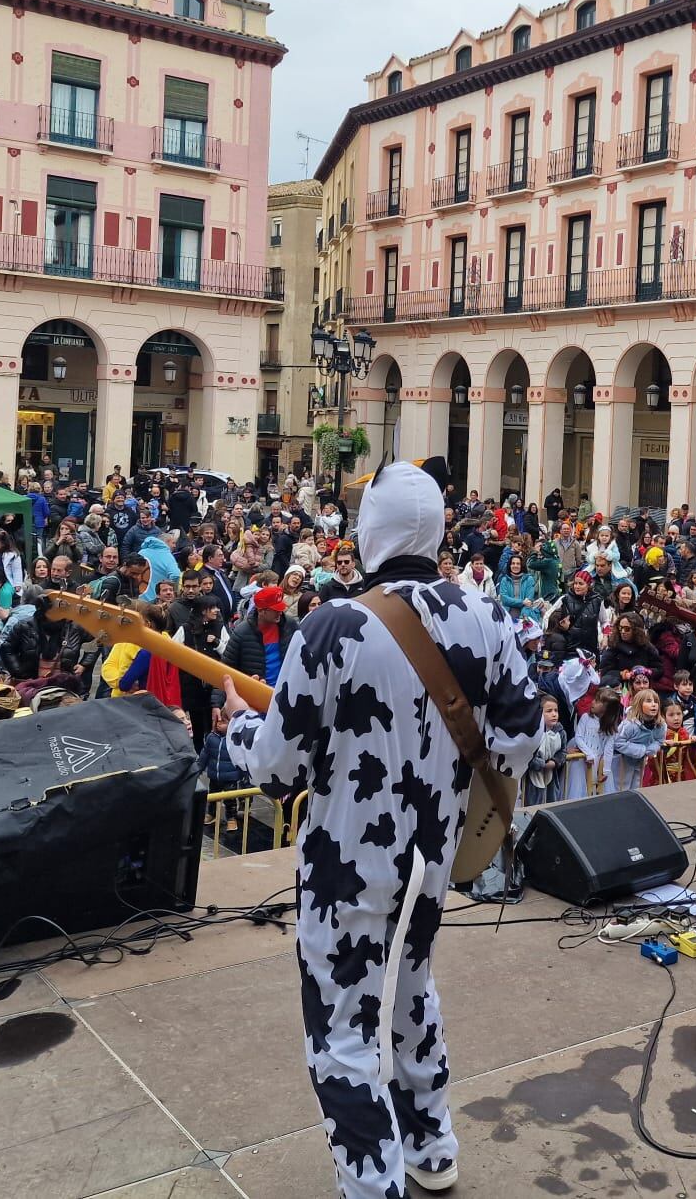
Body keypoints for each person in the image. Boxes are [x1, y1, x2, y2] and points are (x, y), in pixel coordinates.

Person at [223, 460, 539, 1198]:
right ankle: (431, 1146)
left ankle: (373, 1184)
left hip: (347, 866)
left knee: (341, 1032)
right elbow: (524, 740)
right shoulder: (486, 616)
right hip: (435, 858)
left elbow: (277, 768)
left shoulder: (331, 624)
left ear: (370, 533)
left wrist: (239, 729)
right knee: (411, 991)